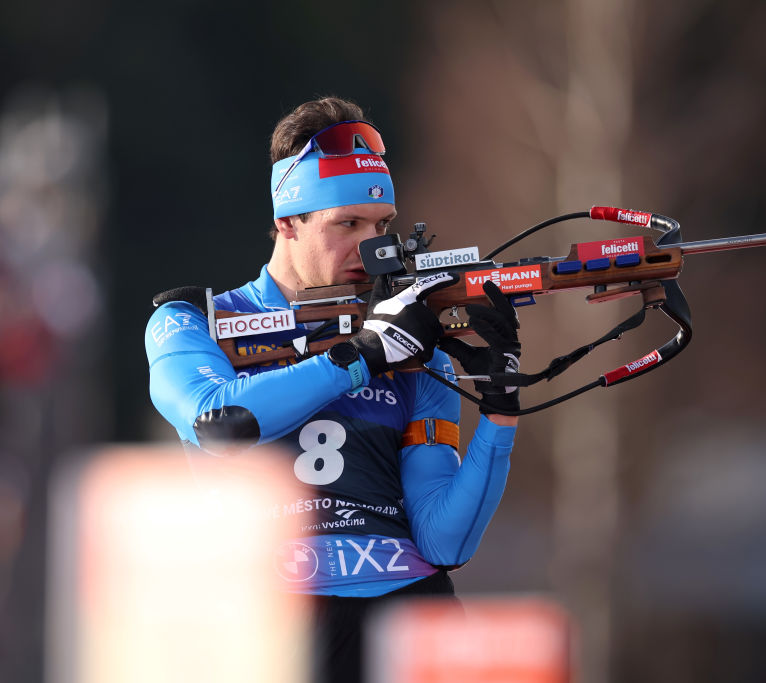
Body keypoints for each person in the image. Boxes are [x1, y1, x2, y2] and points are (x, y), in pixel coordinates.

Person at [144, 96, 522, 682]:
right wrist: (362, 359)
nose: (371, 249)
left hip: (404, 605)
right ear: (288, 222)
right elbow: (219, 422)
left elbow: (444, 541)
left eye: (382, 227)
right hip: (273, 616)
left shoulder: (411, 350)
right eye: (347, 224)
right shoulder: (195, 322)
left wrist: (500, 409)